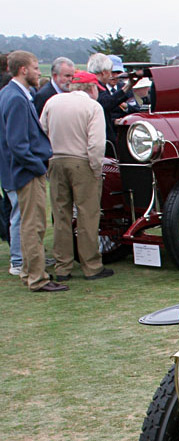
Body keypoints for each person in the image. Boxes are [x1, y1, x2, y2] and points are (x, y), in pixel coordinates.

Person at [0, 50, 64, 292]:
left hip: (19, 171)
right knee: (33, 225)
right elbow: (17, 144)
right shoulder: (16, 98)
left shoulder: (10, 93)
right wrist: (38, 167)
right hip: (26, 172)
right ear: (23, 70)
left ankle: (29, 271)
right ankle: (38, 278)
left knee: (27, 223)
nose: (40, 72)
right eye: (36, 68)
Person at [40, 70, 112, 282]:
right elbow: (97, 143)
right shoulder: (92, 107)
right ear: (90, 88)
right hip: (82, 161)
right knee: (87, 215)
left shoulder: (52, 102)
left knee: (61, 214)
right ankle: (91, 265)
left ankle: (63, 266)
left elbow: (42, 130)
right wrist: (96, 167)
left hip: (56, 160)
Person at [87, 53, 137, 144]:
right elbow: (106, 103)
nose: (114, 76)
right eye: (112, 72)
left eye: (118, 73)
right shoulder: (93, 86)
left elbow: (136, 108)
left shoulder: (95, 85)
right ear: (104, 72)